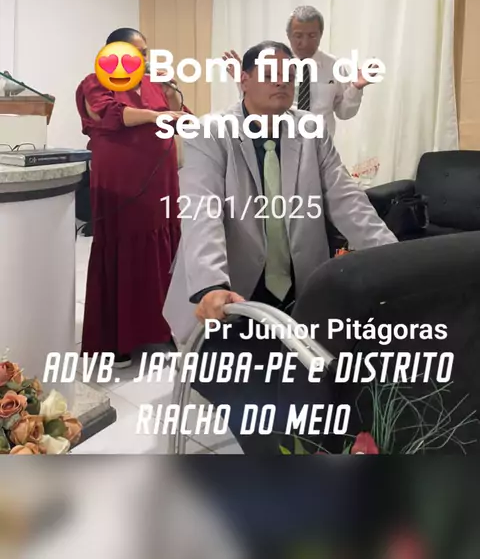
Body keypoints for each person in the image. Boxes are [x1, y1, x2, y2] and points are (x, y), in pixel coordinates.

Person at [163, 40, 396, 452]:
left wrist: (395, 259)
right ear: (244, 80)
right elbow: (201, 209)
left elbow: (347, 201)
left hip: (297, 290)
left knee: (322, 396)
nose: (282, 83)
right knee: (255, 412)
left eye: (289, 75)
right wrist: (211, 284)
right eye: (270, 74)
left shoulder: (311, 130)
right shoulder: (209, 132)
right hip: (230, 298)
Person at [76, 27, 191, 368]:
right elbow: (112, 114)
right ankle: (118, 339)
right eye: (135, 53)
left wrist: (171, 93)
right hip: (121, 181)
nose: (142, 58)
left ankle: (161, 329)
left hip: (160, 181)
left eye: (144, 53)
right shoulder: (95, 82)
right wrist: (157, 116)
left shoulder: (154, 81)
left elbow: (180, 117)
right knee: (124, 247)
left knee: (162, 251)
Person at [223, 5, 373, 138]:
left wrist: (356, 88)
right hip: (278, 142)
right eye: (298, 36)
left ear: (321, 34)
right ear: (288, 35)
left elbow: (344, 113)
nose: (305, 43)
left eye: (312, 36)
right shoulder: (272, 64)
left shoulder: (336, 67)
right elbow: (257, 105)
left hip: (320, 146)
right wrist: (245, 82)